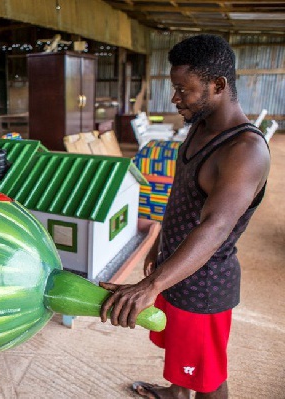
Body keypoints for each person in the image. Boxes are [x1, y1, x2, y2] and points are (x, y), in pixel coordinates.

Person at [99, 34, 270, 399]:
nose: (175, 99)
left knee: (208, 379)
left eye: (183, 90)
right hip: (175, 268)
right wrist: (160, 242)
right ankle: (175, 393)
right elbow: (182, 195)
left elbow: (216, 226)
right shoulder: (200, 127)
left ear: (218, 85)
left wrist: (151, 285)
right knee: (182, 358)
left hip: (203, 286)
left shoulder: (244, 151)